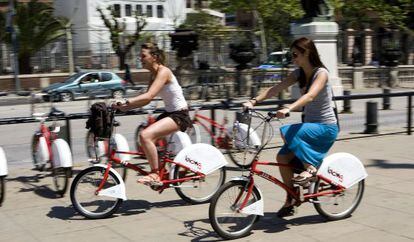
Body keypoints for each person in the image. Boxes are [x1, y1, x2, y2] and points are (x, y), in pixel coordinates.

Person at [243, 37, 339, 217]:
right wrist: (253, 101)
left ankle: (310, 169)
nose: (292, 58)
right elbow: (275, 89)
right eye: (291, 55)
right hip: (311, 127)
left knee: (287, 130)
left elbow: (310, 96)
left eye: (295, 54)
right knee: (282, 157)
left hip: (326, 127)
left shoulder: (321, 73)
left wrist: (289, 108)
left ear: (307, 53)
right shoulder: (299, 73)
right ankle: (292, 198)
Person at [113, 43, 192, 186]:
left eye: (143, 56)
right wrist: (125, 107)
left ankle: (155, 174)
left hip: (180, 115)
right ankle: (163, 171)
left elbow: (149, 96)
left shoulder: (164, 72)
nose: (140, 58)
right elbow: (145, 100)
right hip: (170, 113)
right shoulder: (154, 74)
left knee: (145, 135)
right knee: (148, 135)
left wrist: (126, 100)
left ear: (154, 57)